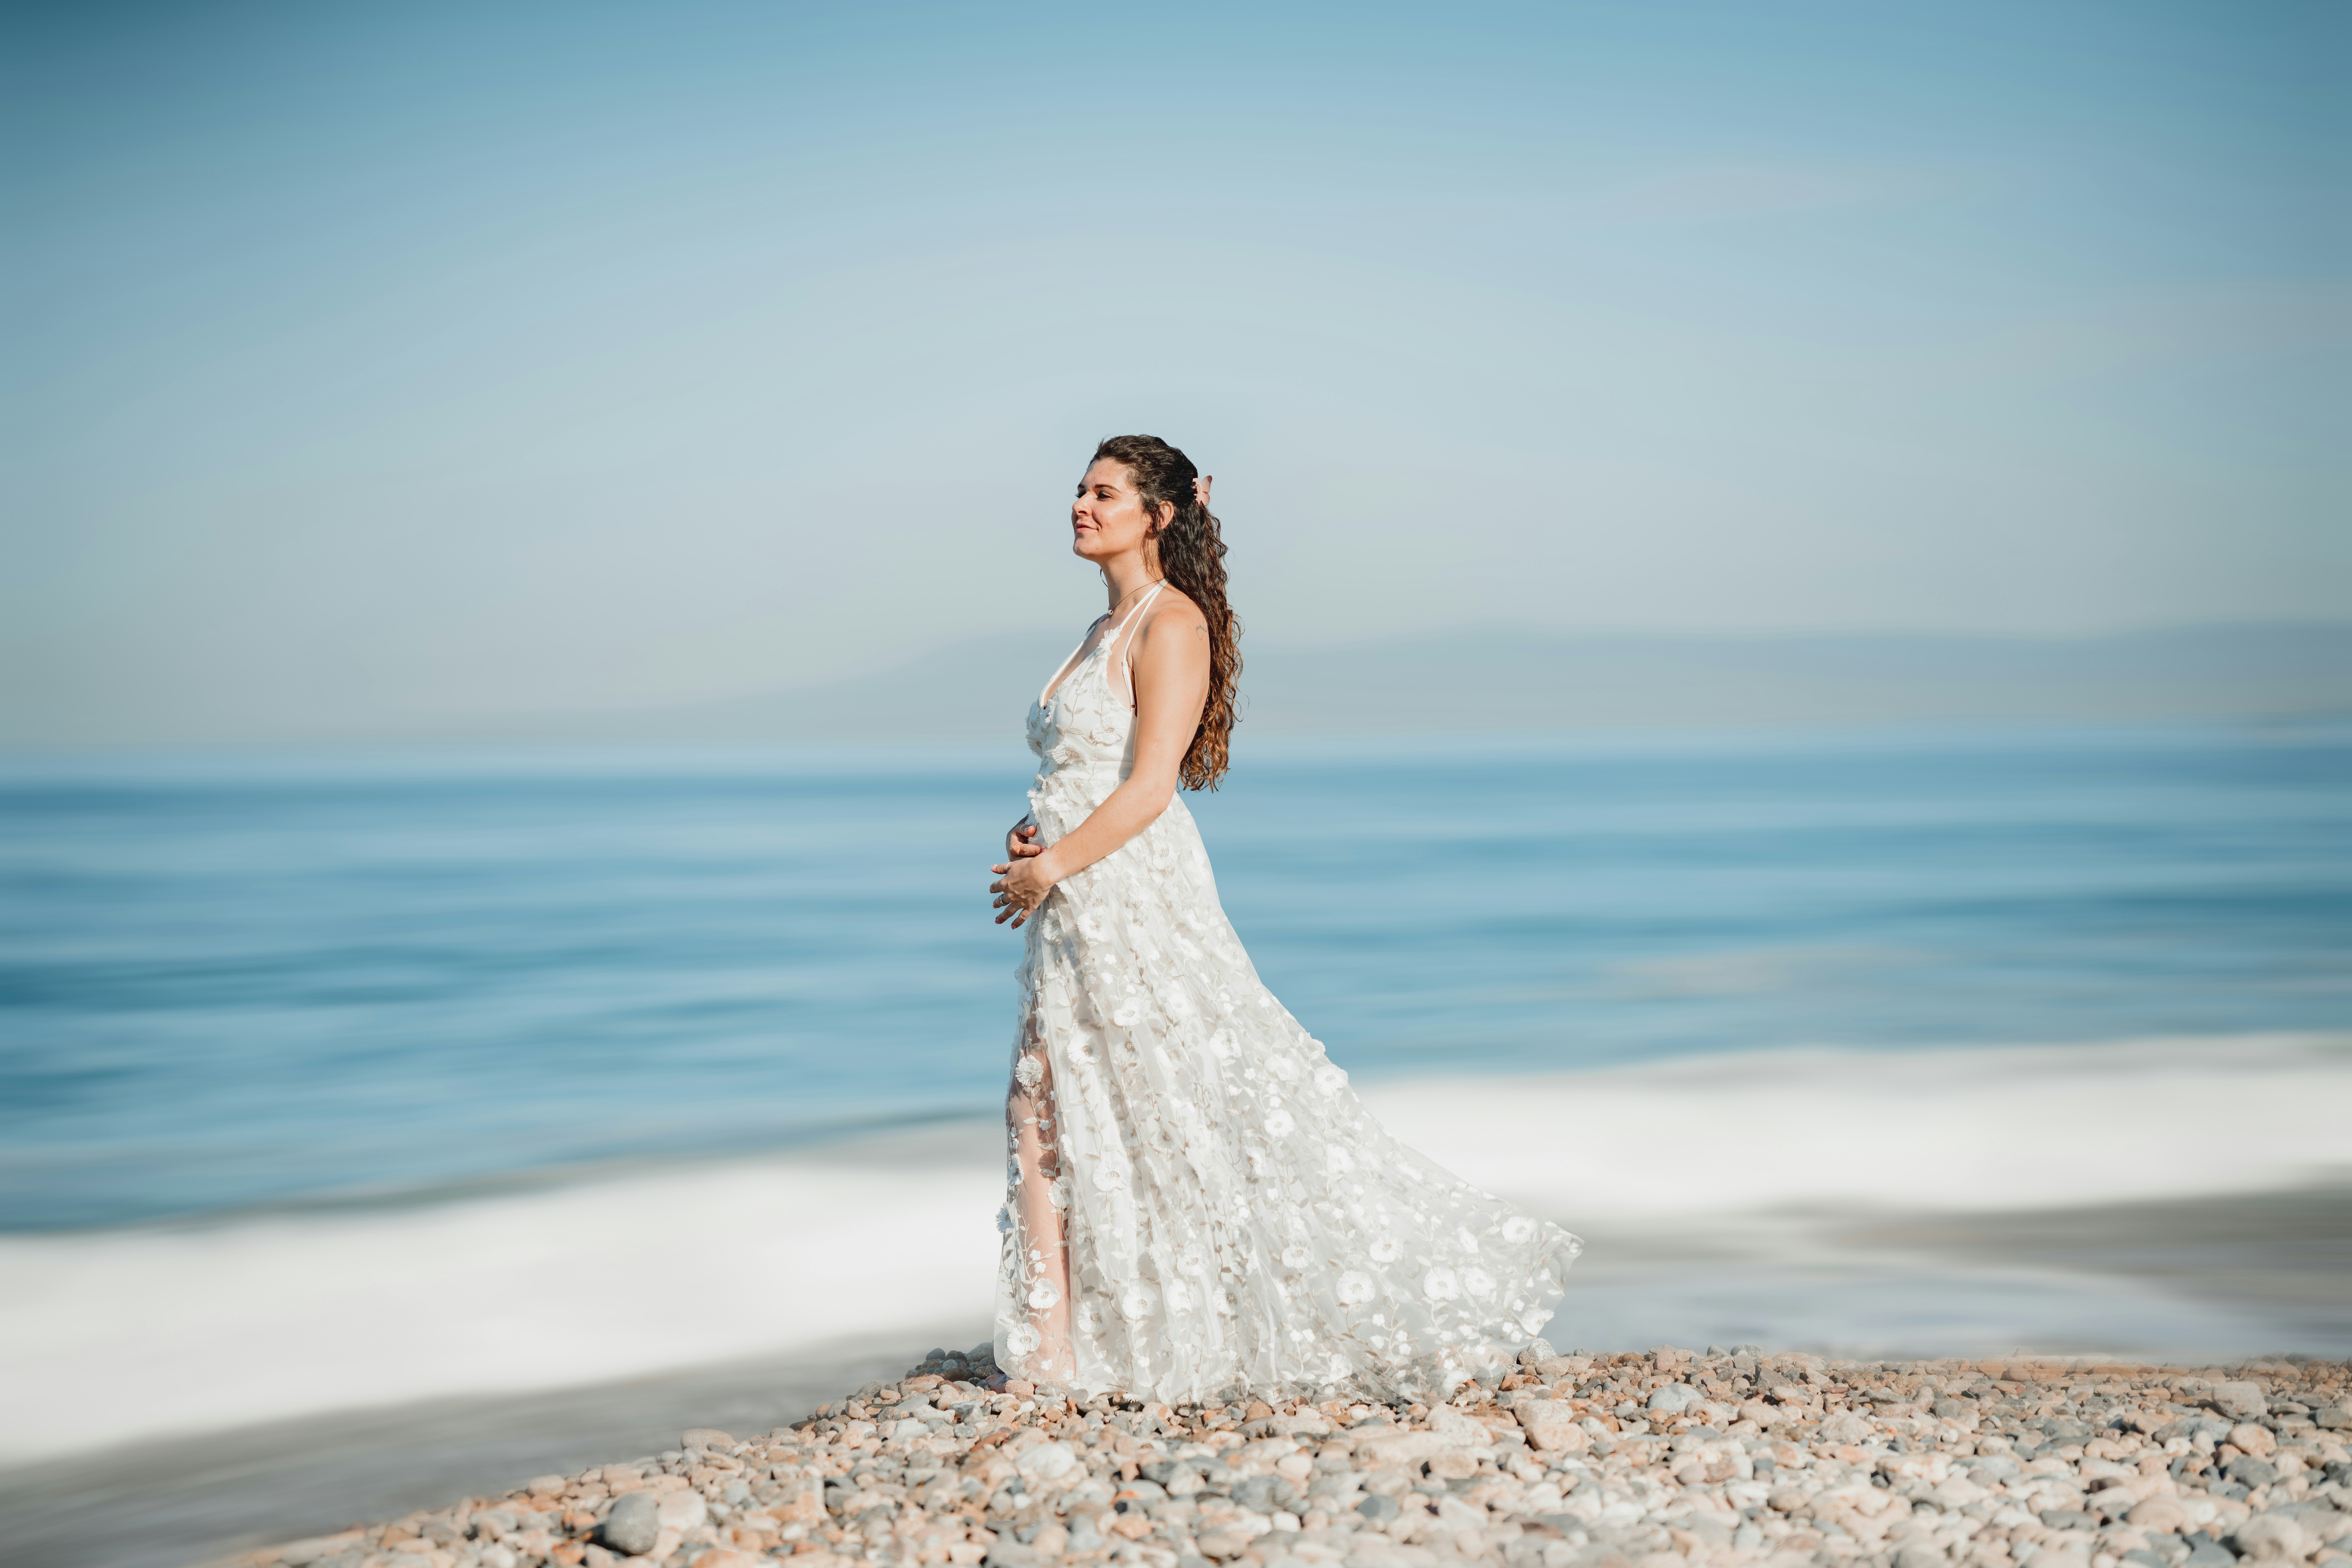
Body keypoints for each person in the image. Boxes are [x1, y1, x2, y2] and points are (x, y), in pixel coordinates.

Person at [987, 434, 1580, 1405]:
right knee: (1056, 1105)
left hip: (1133, 893)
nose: (1080, 506)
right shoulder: (1101, 630)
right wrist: (1037, 829)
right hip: (1077, 901)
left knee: (1155, 1106)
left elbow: (1150, 787)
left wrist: (1055, 860)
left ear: (1159, 515)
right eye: (1080, 490)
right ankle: (1062, 1349)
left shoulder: (1171, 623)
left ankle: (1113, 1350)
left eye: (1103, 494)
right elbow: (1084, 771)